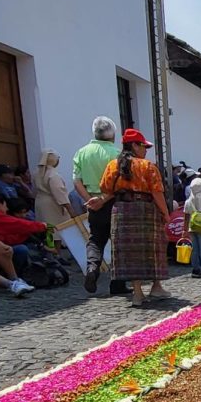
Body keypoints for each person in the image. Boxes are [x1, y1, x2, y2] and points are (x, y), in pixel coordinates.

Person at [90, 128, 171, 308]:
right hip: (146, 209)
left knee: (130, 251)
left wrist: (101, 201)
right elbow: (157, 193)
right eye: (143, 146)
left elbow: (109, 190)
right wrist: (166, 213)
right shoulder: (147, 166)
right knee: (153, 248)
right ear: (134, 145)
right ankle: (156, 286)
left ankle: (137, 293)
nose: (145, 150)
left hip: (122, 211)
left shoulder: (113, 166)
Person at [74, 116, 126, 296]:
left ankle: (92, 268)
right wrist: (103, 199)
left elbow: (76, 181)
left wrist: (90, 200)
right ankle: (117, 284)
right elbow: (120, 184)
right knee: (118, 242)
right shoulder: (117, 153)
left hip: (92, 202)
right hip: (113, 201)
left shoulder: (82, 152)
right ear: (112, 133)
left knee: (96, 239)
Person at [0, 193, 46, 272]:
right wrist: (41, 226)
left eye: (25, 212)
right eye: (5, 205)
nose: (6, 209)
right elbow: (18, 224)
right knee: (22, 249)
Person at [33, 149, 74, 227]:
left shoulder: (35, 173)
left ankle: (49, 239)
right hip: (53, 204)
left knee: (46, 227)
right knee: (57, 228)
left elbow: (34, 191)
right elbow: (60, 194)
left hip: (40, 203)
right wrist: (71, 211)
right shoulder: (53, 175)